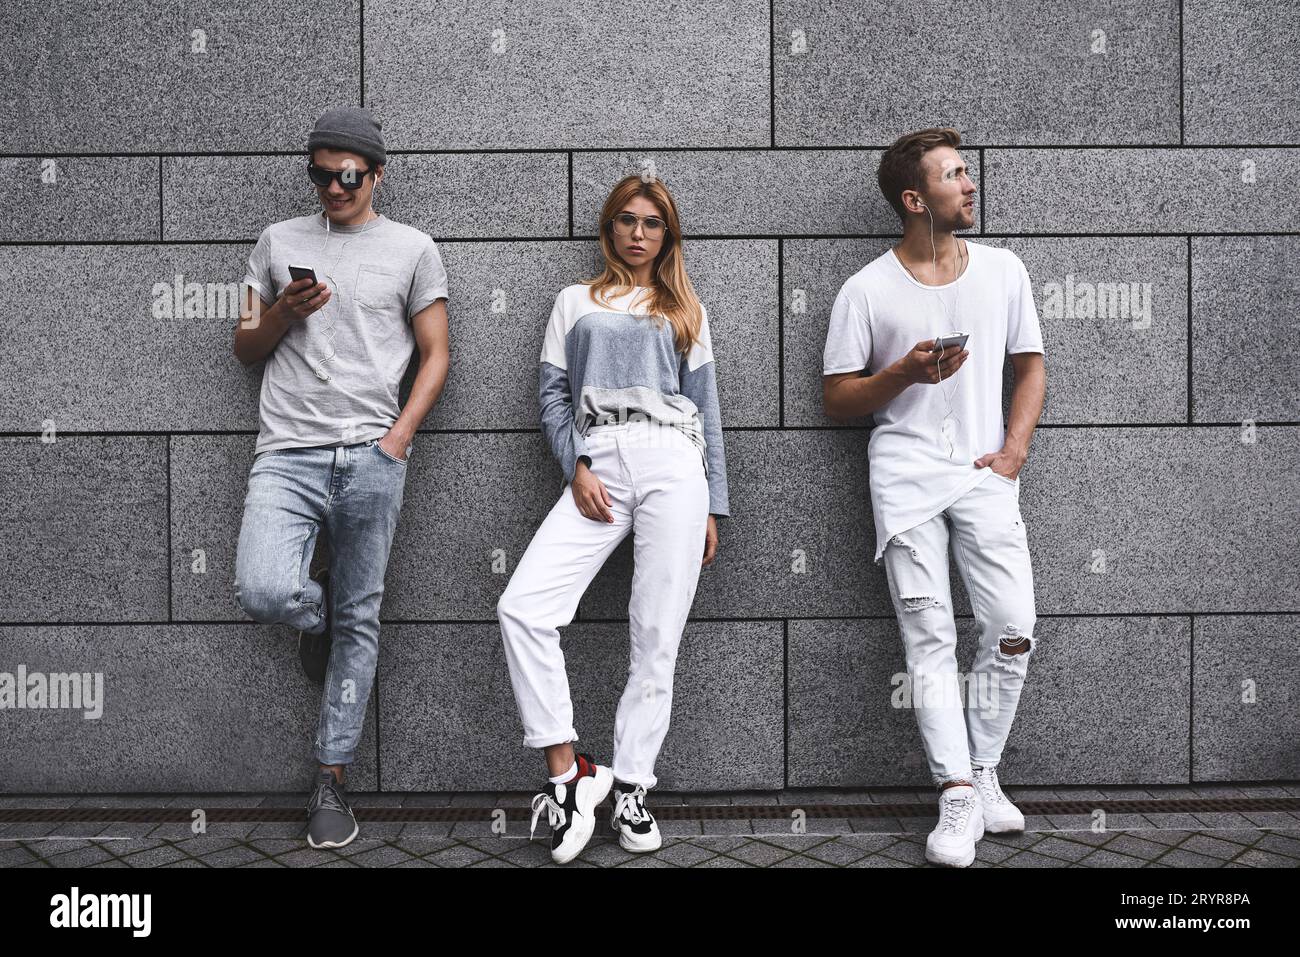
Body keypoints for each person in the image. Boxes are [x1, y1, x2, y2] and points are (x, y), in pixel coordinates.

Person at [822, 127, 1047, 868]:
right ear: (916, 199)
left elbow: (1030, 364)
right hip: (906, 479)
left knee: (1012, 623)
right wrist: (905, 376)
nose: (970, 183)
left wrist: (1013, 450)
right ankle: (954, 790)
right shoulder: (866, 289)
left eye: (967, 171)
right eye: (955, 175)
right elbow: (838, 398)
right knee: (930, 642)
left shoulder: (1004, 270)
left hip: (985, 474)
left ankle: (984, 768)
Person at [232, 106, 450, 850]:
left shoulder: (414, 249)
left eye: (347, 174)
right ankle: (309, 607)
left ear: (377, 173)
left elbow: (438, 354)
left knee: (364, 617)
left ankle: (332, 778)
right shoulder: (276, 242)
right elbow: (242, 344)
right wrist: (283, 315)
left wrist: (397, 440)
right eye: (320, 174)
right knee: (262, 588)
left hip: (372, 454)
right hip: (287, 451)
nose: (333, 187)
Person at [496, 174, 729, 864]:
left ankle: (631, 787)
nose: (638, 232)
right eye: (626, 220)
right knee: (523, 606)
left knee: (656, 634)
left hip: (673, 465)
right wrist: (576, 466)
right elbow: (551, 398)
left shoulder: (685, 307)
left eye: (652, 223)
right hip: (599, 464)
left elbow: (705, 409)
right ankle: (571, 776)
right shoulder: (575, 301)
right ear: (608, 231)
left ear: (667, 235)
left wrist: (714, 500)